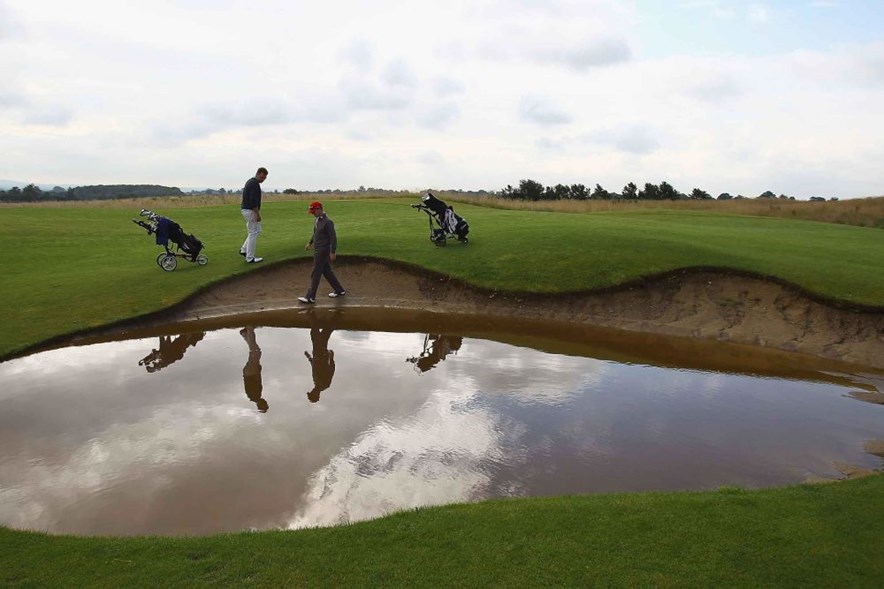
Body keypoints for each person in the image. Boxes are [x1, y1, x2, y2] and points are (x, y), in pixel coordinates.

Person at [297, 201, 346, 304]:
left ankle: (310, 297)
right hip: (317, 248)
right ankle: (340, 290)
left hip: (323, 250)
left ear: (319, 209)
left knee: (315, 272)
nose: (312, 213)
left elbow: (333, 237)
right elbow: (316, 234)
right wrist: (310, 243)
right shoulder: (317, 220)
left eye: (313, 211)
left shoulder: (328, 222)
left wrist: (333, 252)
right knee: (327, 271)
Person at [303, 312, 339, 403]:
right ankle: (311, 315)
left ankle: (336, 316)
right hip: (322, 354)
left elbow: (314, 366)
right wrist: (331, 358)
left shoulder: (316, 382)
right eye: (312, 393)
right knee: (315, 334)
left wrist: (308, 357)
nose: (312, 391)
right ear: (317, 395)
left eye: (311, 392)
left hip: (316, 354)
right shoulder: (325, 384)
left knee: (323, 334)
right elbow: (331, 369)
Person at [239, 167, 268, 263]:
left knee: (257, 230)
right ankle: (250, 258)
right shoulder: (253, 183)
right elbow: (252, 201)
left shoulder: (252, 182)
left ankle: (244, 250)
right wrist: (257, 214)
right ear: (258, 173)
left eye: (265, 178)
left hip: (247, 210)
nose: (263, 179)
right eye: (262, 177)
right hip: (250, 210)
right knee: (253, 232)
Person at [241, 326, 268, 412]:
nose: (266, 401)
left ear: (261, 404)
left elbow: (256, 380)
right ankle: (245, 334)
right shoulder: (253, 397)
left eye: (265, 403)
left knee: (256, 351)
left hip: (251, 373)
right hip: (247, 373)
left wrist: (258, 370)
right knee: (255, 351)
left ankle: (249, 329)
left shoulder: (255, 395)